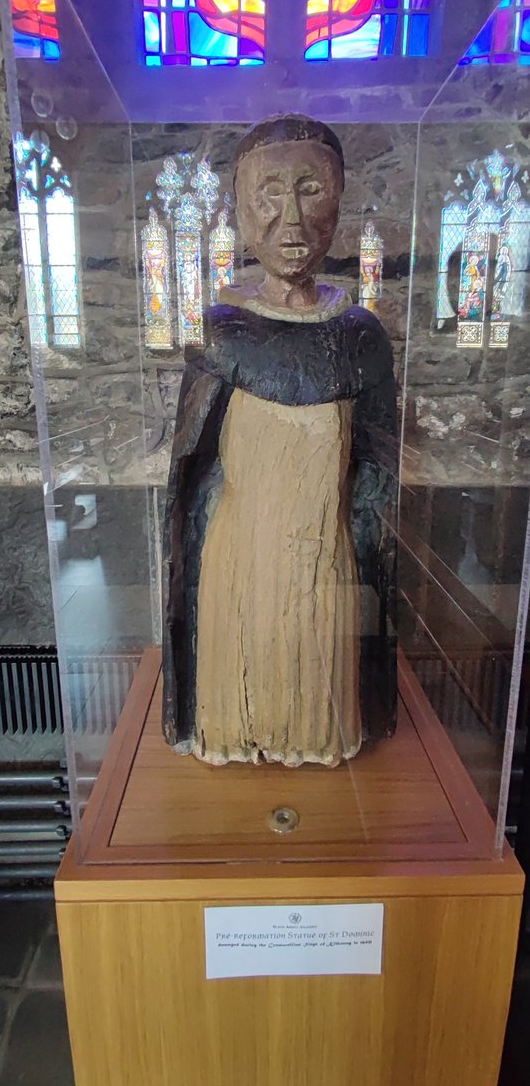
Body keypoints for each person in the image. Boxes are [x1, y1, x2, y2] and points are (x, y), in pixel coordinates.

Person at [162, 115, 398, 766]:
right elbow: (190, 476)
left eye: (310, 189)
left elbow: (377, 479)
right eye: (268, 193)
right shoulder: (220, 335)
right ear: (241, 211)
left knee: (315, 705)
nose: (290, 219)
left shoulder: (359, 338)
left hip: (324, 557)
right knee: (241, 693)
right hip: (241, 559)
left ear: (338, 202)